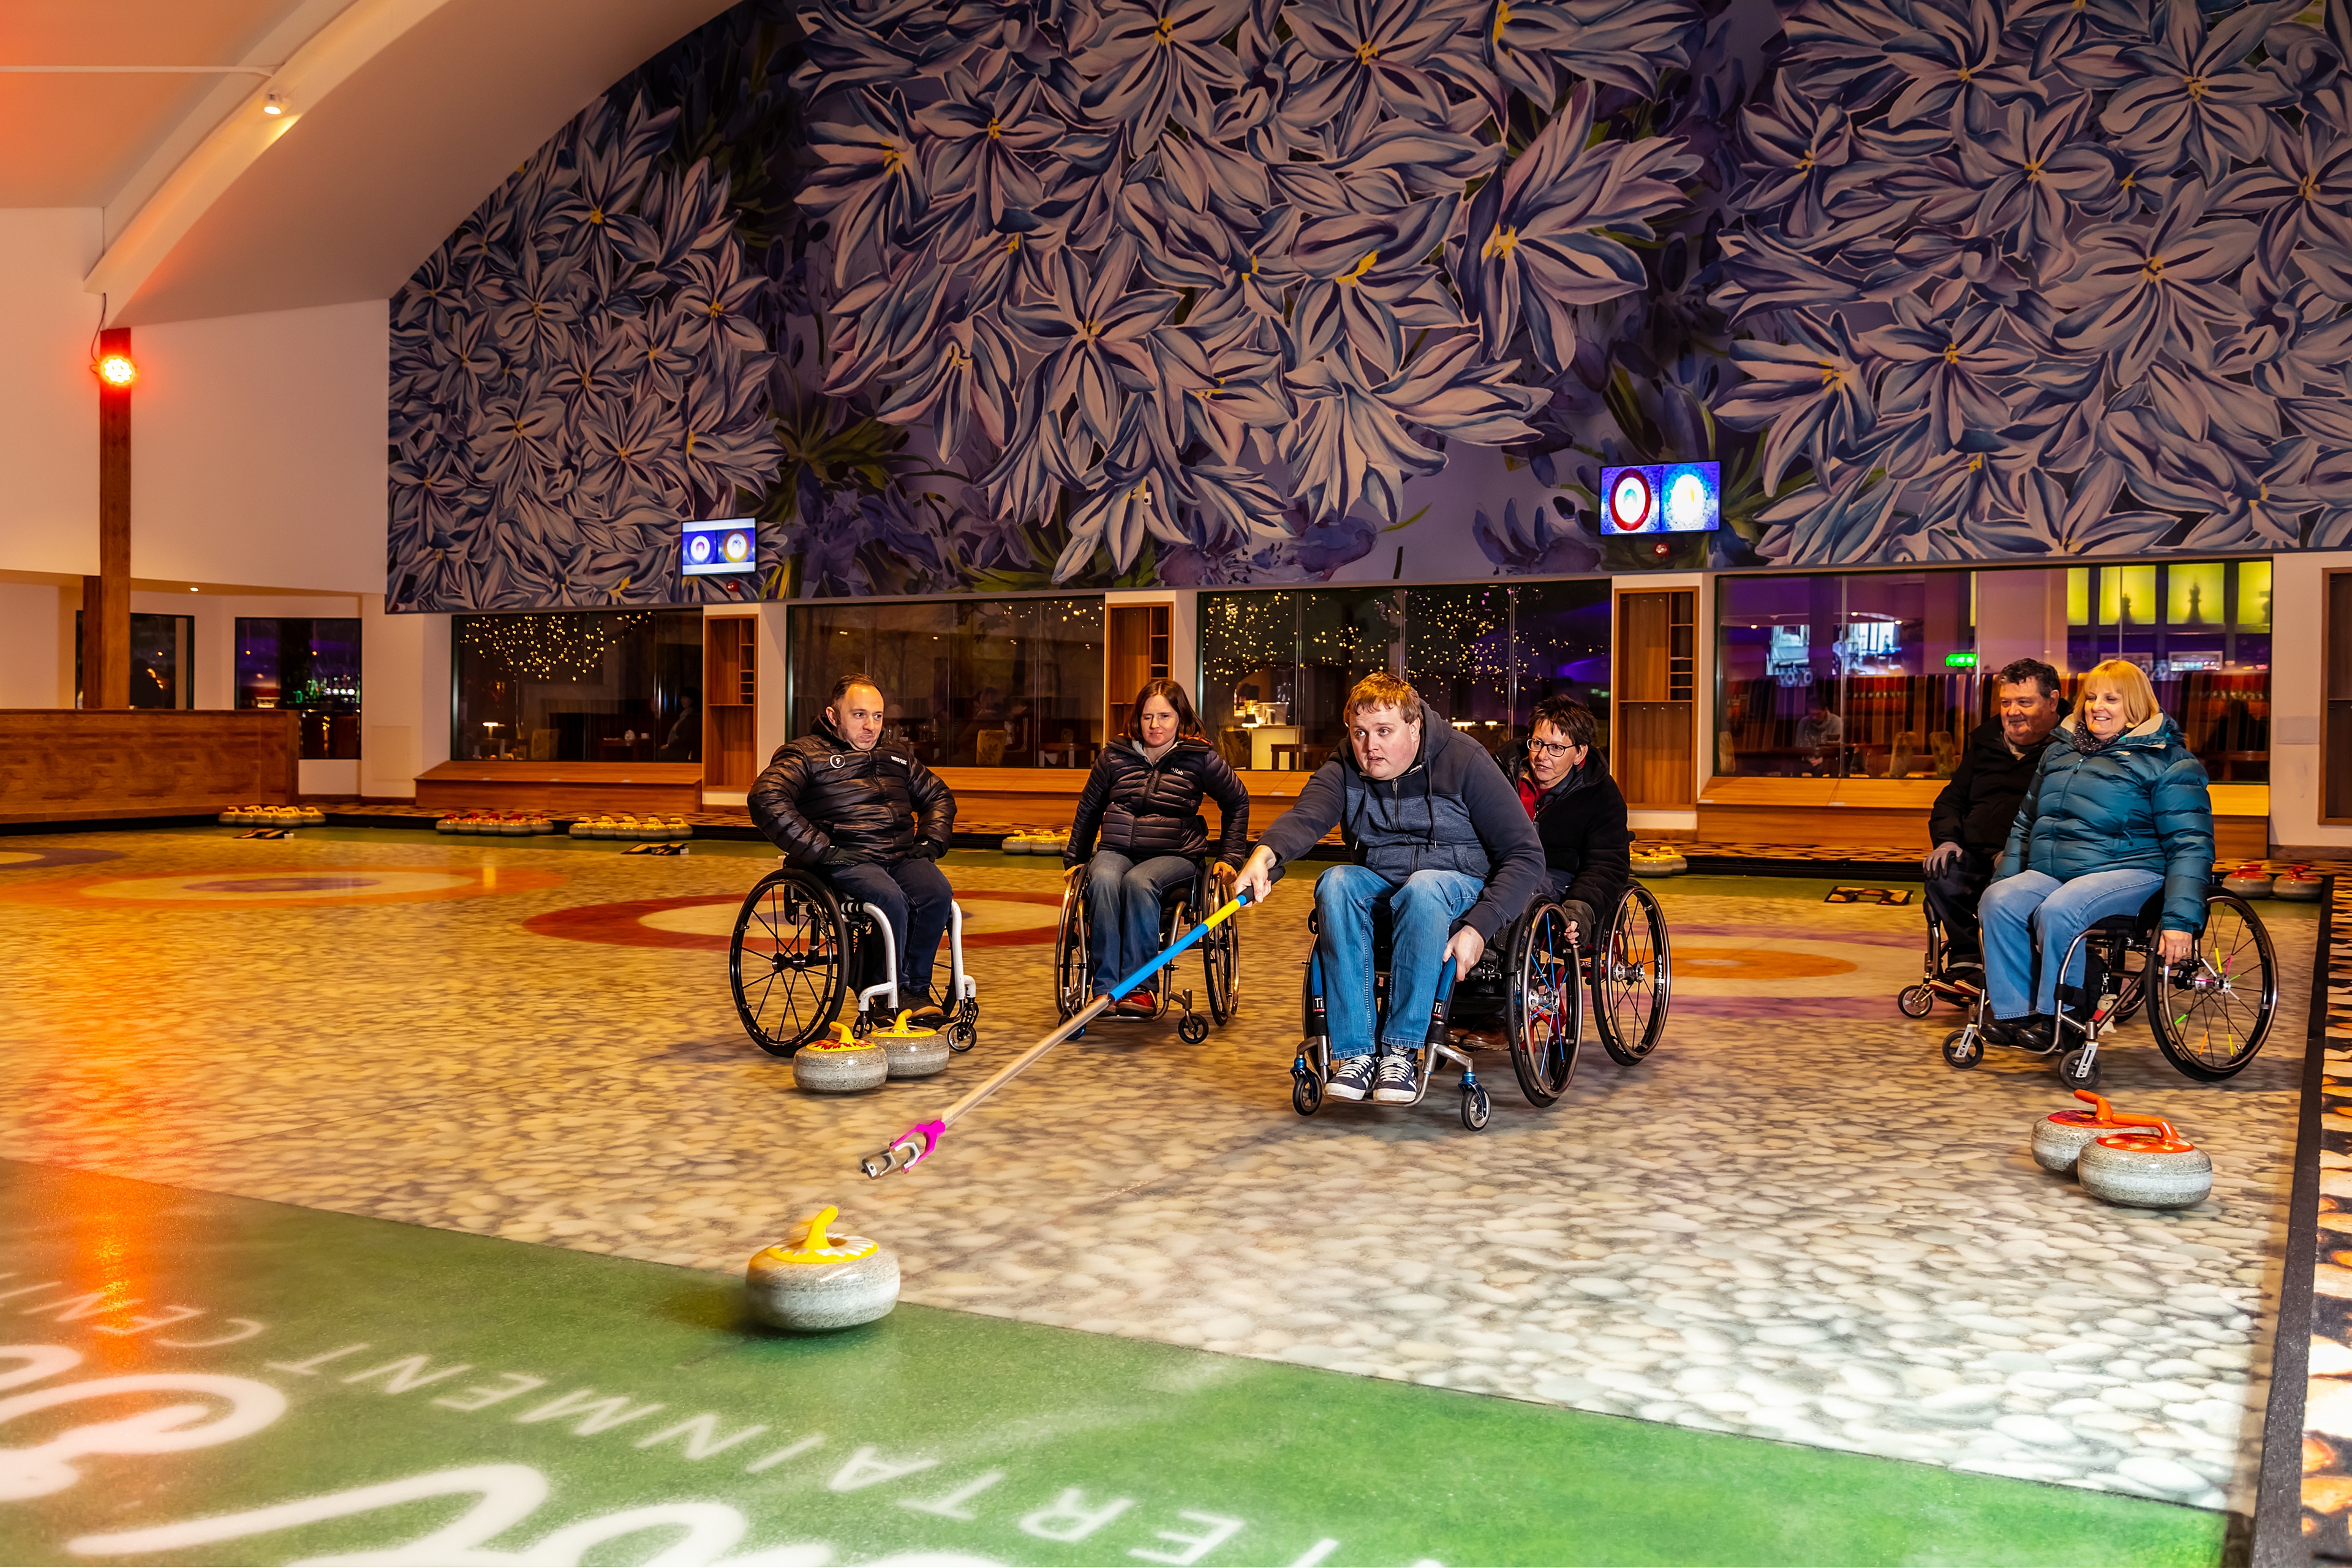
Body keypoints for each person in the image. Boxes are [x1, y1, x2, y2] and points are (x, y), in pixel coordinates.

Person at [1235, 673, 1546, 1106]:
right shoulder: (1347, 763)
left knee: (1423, 887)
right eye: (1360, 733)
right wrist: (1263, 856)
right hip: (1384, 883)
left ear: (1414, 728)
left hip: (1457, 886)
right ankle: (1357, 1053)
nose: (1369, 746)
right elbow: (1308, 815)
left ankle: (1400, 1052)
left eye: (1384, 731)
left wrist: (1480, 927)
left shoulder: (1465, 760)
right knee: (1337, 882)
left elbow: (1526, 855)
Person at [1978, 659, 2214, 1050]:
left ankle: (2064, 1016)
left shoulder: (2169, 762)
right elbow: (2025, 822)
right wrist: (2005, 880)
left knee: (2061, 909)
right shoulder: (2060, 752)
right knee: (1999, 901)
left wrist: (2180, 922)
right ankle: (2014, 1014)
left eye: (2110, 699)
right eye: (2091, 698)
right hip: (2057, 871)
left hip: (2134, 872)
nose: (2096, 707)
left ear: (2134, 705)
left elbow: (2191, 844)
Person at [749, 673, 957, 1025]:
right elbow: (765, 797)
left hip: (899, 855)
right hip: (844, 857)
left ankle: (914, 991)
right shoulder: (805, 754)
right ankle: (883, 991)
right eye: (859, 715)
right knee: (889, 898)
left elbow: (938, 795)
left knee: (937, 893)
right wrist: (823, 849)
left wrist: (930, 840)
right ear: (834, 716)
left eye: (877, 716)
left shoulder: (896, 756)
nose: (870, 726)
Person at [1065, 679, 1250, 1017]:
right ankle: (1104, 991)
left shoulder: (1200, 758)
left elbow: (1237, 801)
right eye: (1148, 716)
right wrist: (1075, 860)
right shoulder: (1114, 756)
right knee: (1102, 879)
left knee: (1139, 882)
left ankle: (1140, 989)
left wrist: (1230, 857)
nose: (1155, 725)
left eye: (1164, 716)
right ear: (1138, 718)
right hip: (1117, 850)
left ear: (1180, 718)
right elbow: (1089, 808)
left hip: (1175, 856)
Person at [1923, 658, 2069, 964]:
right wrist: (1947, 840)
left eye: (2024, 702)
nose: (2012, 712)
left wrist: (2019, 853)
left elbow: (2068, 815)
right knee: (1943, 874)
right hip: (1975, 854)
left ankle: (2018, 965)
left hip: (2034, 860)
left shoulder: (2072, 748)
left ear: (2053, 701)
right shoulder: (1986, 742)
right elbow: (1951, 800)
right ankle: (1969, 958)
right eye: (2006, 703)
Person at [1494, 696, 1629, 950]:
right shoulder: (1501, 774)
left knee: (1523, 889)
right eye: (1537, 744)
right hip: (1502, 866)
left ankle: (1504, 952)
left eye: (1556, 748)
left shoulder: (1601, 794)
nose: (1542, 756)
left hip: (1559, 876)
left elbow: (1608, 863)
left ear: (1580, 753)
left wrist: (1581, 906)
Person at [1794, 700, 1842, 772]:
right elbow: (1799, 746)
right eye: (1811, 714)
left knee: (1822, 768)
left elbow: (1837, 748)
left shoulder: (1837, 722)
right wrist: (1811, 759)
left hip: (1828, 761)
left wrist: (1820, 761)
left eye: (1818, 714)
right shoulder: (1803, 723)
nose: (1814, 717)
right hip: (1808, 761)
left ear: (1826, 710)